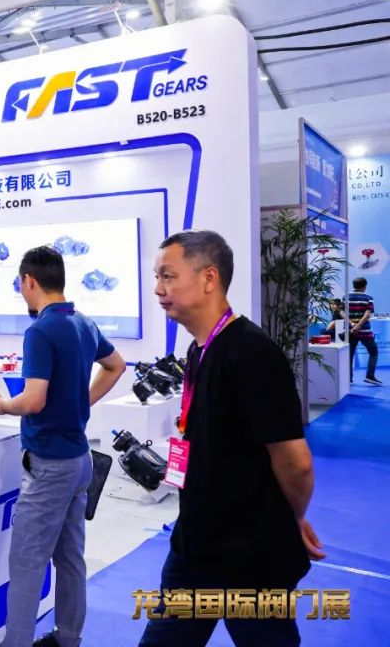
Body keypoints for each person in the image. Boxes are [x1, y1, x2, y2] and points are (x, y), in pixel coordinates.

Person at [140, 230, 324, 647]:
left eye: (168, 276)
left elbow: (295, 462)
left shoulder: (252, 353)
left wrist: (291, 519)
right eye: (157, 277)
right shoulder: (200, 349)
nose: (158, 290)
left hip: (248, 556)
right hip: (195, 544)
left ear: (209, 278)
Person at [0, 246, 126, 647]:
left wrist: (2, 405)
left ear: (29, 281)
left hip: (49, 464)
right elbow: (117, 365)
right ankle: (68, 638)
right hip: (80, 460)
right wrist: (82, 401)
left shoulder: (41, 330)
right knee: (70, 559)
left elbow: (33, 401)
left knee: (27, 563)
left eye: (20, 284)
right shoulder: (82, 322)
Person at [348, 277, 381, 384]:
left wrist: (353, 324)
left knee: (349, 354)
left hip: (350, 330)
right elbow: (367, 315)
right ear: (365, 286)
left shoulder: (346, 297)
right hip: (365, 331)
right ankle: (370, 376)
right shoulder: (368, 298)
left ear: (353, 285)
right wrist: (358, 326)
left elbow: (342, 312)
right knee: (373, 352)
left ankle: (348, 379)